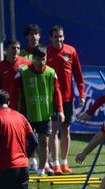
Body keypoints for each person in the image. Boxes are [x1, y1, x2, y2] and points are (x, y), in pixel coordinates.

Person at [14, 45, 64, 176]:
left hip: (45, 114)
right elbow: (15, 93)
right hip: (26, 114)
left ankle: (41, 170)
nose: (41, 62)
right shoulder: (22, 72)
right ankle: (26, 165)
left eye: (44, 59)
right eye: (38, 59)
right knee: (27, 142)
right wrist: (13, 111)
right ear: (33, 58)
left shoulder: (51, 73)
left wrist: (60, 110)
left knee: (44, 141)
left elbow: (57, 92)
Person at [47, 25, 85, 174]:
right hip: (51, 98)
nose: (59, 39)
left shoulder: (71, 51)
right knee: (54, 129)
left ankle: (64, 162)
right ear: (50, 38)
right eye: (56, 36)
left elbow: (78, 74)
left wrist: (82, 93)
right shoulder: (46, 52)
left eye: (61, 36)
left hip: (68, 98)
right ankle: (55, 163)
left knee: (66, 129)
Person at [0, 39, 31, 109]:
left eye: (18, 48)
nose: (16, 50)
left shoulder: (27, 63)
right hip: (9, 105)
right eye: (13, 48)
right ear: (6, 49)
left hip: (26, 104)